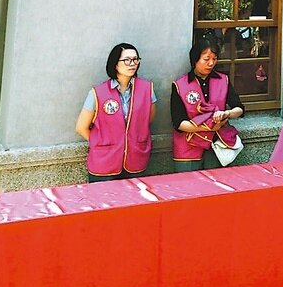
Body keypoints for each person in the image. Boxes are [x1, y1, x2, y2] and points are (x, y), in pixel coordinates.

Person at [76, 42, 156, 182]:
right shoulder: (97, 93)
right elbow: (81, 127)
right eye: (127, 60)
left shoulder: (147, 89)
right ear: (115, 64)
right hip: (104, 162)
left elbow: (148, 119)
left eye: (135, 59)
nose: (132, 63)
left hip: (136, 159)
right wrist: (101, 143)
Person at [171, 38, 244, 171]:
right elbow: (178, 122)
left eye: (214, 59)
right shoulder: (180, 84)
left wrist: (227, 113)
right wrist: (209, 127)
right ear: (195, 59)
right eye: (206, 59)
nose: (211, 63)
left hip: (216, 146)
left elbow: (239, 108)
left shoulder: (223, 80)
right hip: (188, 147)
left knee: (216, 181)